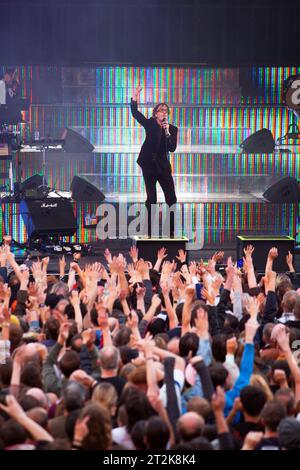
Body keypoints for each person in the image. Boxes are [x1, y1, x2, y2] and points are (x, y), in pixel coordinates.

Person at [130, 85, 178, 237]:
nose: (163, 112)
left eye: (165, 110)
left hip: (163, 167)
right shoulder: (150, 123)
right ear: (155, 113)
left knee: (171, 198)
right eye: (160, 110)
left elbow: (172, 148)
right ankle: (149, 231)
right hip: (149, 166)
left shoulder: (172, 129)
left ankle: (169, 230)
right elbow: (135, 113)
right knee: (152, 199)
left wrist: (167, 131)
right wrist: (135, 96)